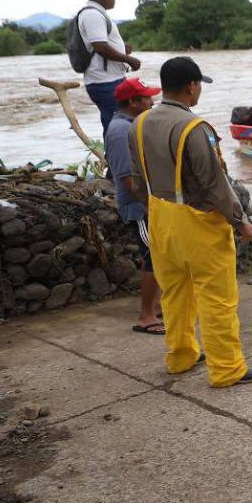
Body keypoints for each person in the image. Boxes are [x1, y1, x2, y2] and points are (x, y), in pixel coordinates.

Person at [127, 56, 252, 388]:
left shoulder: (139, 123)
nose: (199, 90)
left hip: (160, 218)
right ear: (191, 86)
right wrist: (241, 221)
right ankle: (227, 369)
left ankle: (181, 355)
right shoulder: (195, 128)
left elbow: (135, 181)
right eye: (199, 84)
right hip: (198, 224)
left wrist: (155, 210)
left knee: (174, 293)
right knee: (217, 298)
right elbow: (214, 184)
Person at [105, 77, 163, 335]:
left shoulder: (133, 124)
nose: (151, 101)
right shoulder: (120, 130)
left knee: (161, 255)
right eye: (146, 98)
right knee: (153, 258)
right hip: (139, 206)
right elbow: (126, 176)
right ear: (132, 101)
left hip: (148, 202)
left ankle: (158, 306)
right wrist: (150, 205)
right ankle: (146, 316)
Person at [76, 0, 140, 137]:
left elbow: (100, 45)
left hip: (109, 80)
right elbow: (100, 47)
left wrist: (122, 49)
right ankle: (116, 160)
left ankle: (114, 159)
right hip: (105, 82)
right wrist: (128, 59)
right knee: (118, 127)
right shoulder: (93, 15)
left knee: (114, 124)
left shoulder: (96, 14)